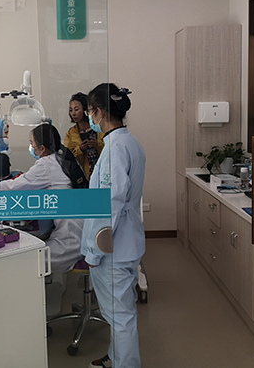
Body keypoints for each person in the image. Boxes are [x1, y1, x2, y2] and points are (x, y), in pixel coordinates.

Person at [81, 83, 146, 368]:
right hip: (127, 242)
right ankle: (116, 357)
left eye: (90, 112)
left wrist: (94, 253)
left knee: (120, 317)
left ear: (100, 112)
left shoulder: (115, 149)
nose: (90, 118)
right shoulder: (128, 142)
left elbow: (110, 205)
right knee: (122, 312)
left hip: (113, 249)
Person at [0, 123, 84, 274]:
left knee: (26, 260)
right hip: (79, 232)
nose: (32, 147)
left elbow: (16, 186)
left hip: (70, 240)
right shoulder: (62, 157)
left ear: (42, 148)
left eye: (32, 144)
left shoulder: (46, 164)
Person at [65, 92, 104, 180]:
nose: (73, 113)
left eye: (76, 109)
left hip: (103, 173)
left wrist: (97, 144)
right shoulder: (71, 133)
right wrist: (80, 150)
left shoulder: (98, 127)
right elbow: (67, 159)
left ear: (85, 110)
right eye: (71, 110)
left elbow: (110, 150)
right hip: (83, 177)